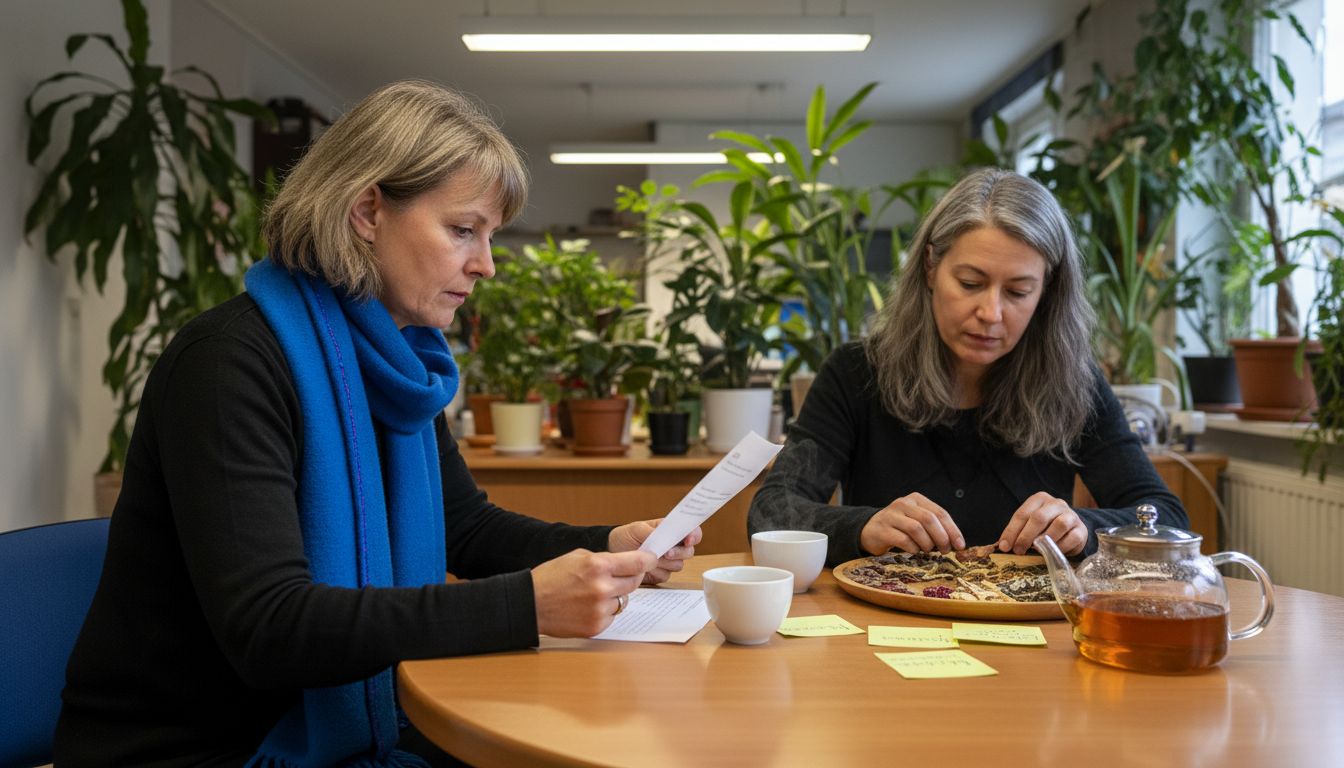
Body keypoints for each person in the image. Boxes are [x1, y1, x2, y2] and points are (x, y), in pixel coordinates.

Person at [54, 80, 700, 767]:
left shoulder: (399, 362)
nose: (484, 263)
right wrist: (523, 605)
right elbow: (269, 627)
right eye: (462, 230)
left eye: (488, 236)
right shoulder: (229, 365)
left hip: (343, 729)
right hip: (197, 748)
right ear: (367, 211)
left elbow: (466, 527)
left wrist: (610, 545)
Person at [748, 167, 1185, 567]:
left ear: (1046, 293)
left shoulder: (1075, 384)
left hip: (1030, 632)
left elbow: (1165, 517)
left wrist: (1083, 528)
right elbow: (772, 511)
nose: (991, 313)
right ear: (930, 267)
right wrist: (862, 527)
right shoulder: (856, 373)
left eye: (1018, 292)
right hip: (887, 628)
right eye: (971, 283)